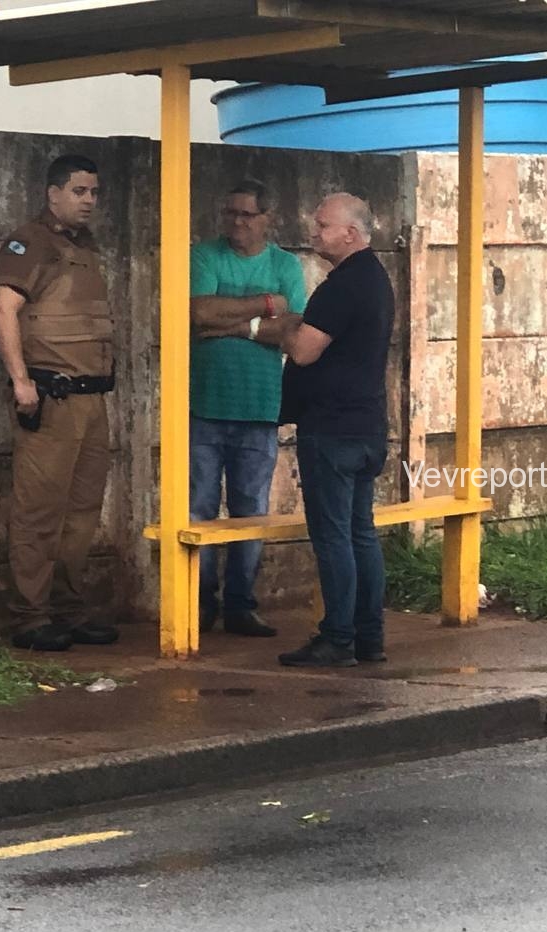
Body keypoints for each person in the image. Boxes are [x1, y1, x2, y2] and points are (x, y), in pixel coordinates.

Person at [201, 193, 393, 667]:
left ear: (351, 233)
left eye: (323, 225)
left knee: (334, 536)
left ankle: (338, 637)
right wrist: (282, 322)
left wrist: (280, 327)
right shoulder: (375, 277)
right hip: (366, 425)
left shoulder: (342, 286)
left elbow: (305, 349)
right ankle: (368, 636)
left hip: (332, 430)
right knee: (360, 533)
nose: (314, 232)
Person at [0, 154, 119, 652]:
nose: (89, 201)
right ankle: (31, 616)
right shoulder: (30, 242)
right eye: (79, 191)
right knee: (39, 511)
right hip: (51, 396)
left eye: (94, 192)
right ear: (53, 193)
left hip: (91, 396)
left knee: (82, 512)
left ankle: (68, 608)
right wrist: (21, 381)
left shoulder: (84, 245)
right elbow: (3, 310)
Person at [188, 180, 307, 637]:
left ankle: (240, 604)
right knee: (198, 511)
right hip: (205, 404)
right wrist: (265, 305)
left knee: (251, 512)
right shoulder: (204, 255)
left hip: (260, 407)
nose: (237, 222)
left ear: (267, 218)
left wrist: (233, 325)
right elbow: (198, 314)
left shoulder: (285, 264)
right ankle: (200, 603)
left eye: (247, 214)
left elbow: (294, 327)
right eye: (230, 213)